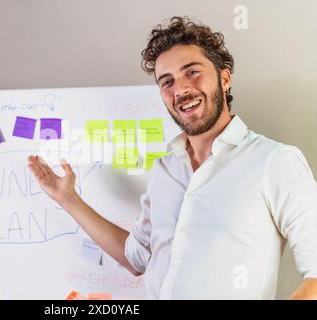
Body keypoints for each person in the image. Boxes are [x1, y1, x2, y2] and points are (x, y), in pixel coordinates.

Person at [27, 16, 317, 299]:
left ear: (225, 78)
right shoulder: (166, 170)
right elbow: (135, 258)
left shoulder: (275, 162)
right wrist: (68, 199)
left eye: (192, 71)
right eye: (167, 81)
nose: (180, 89)